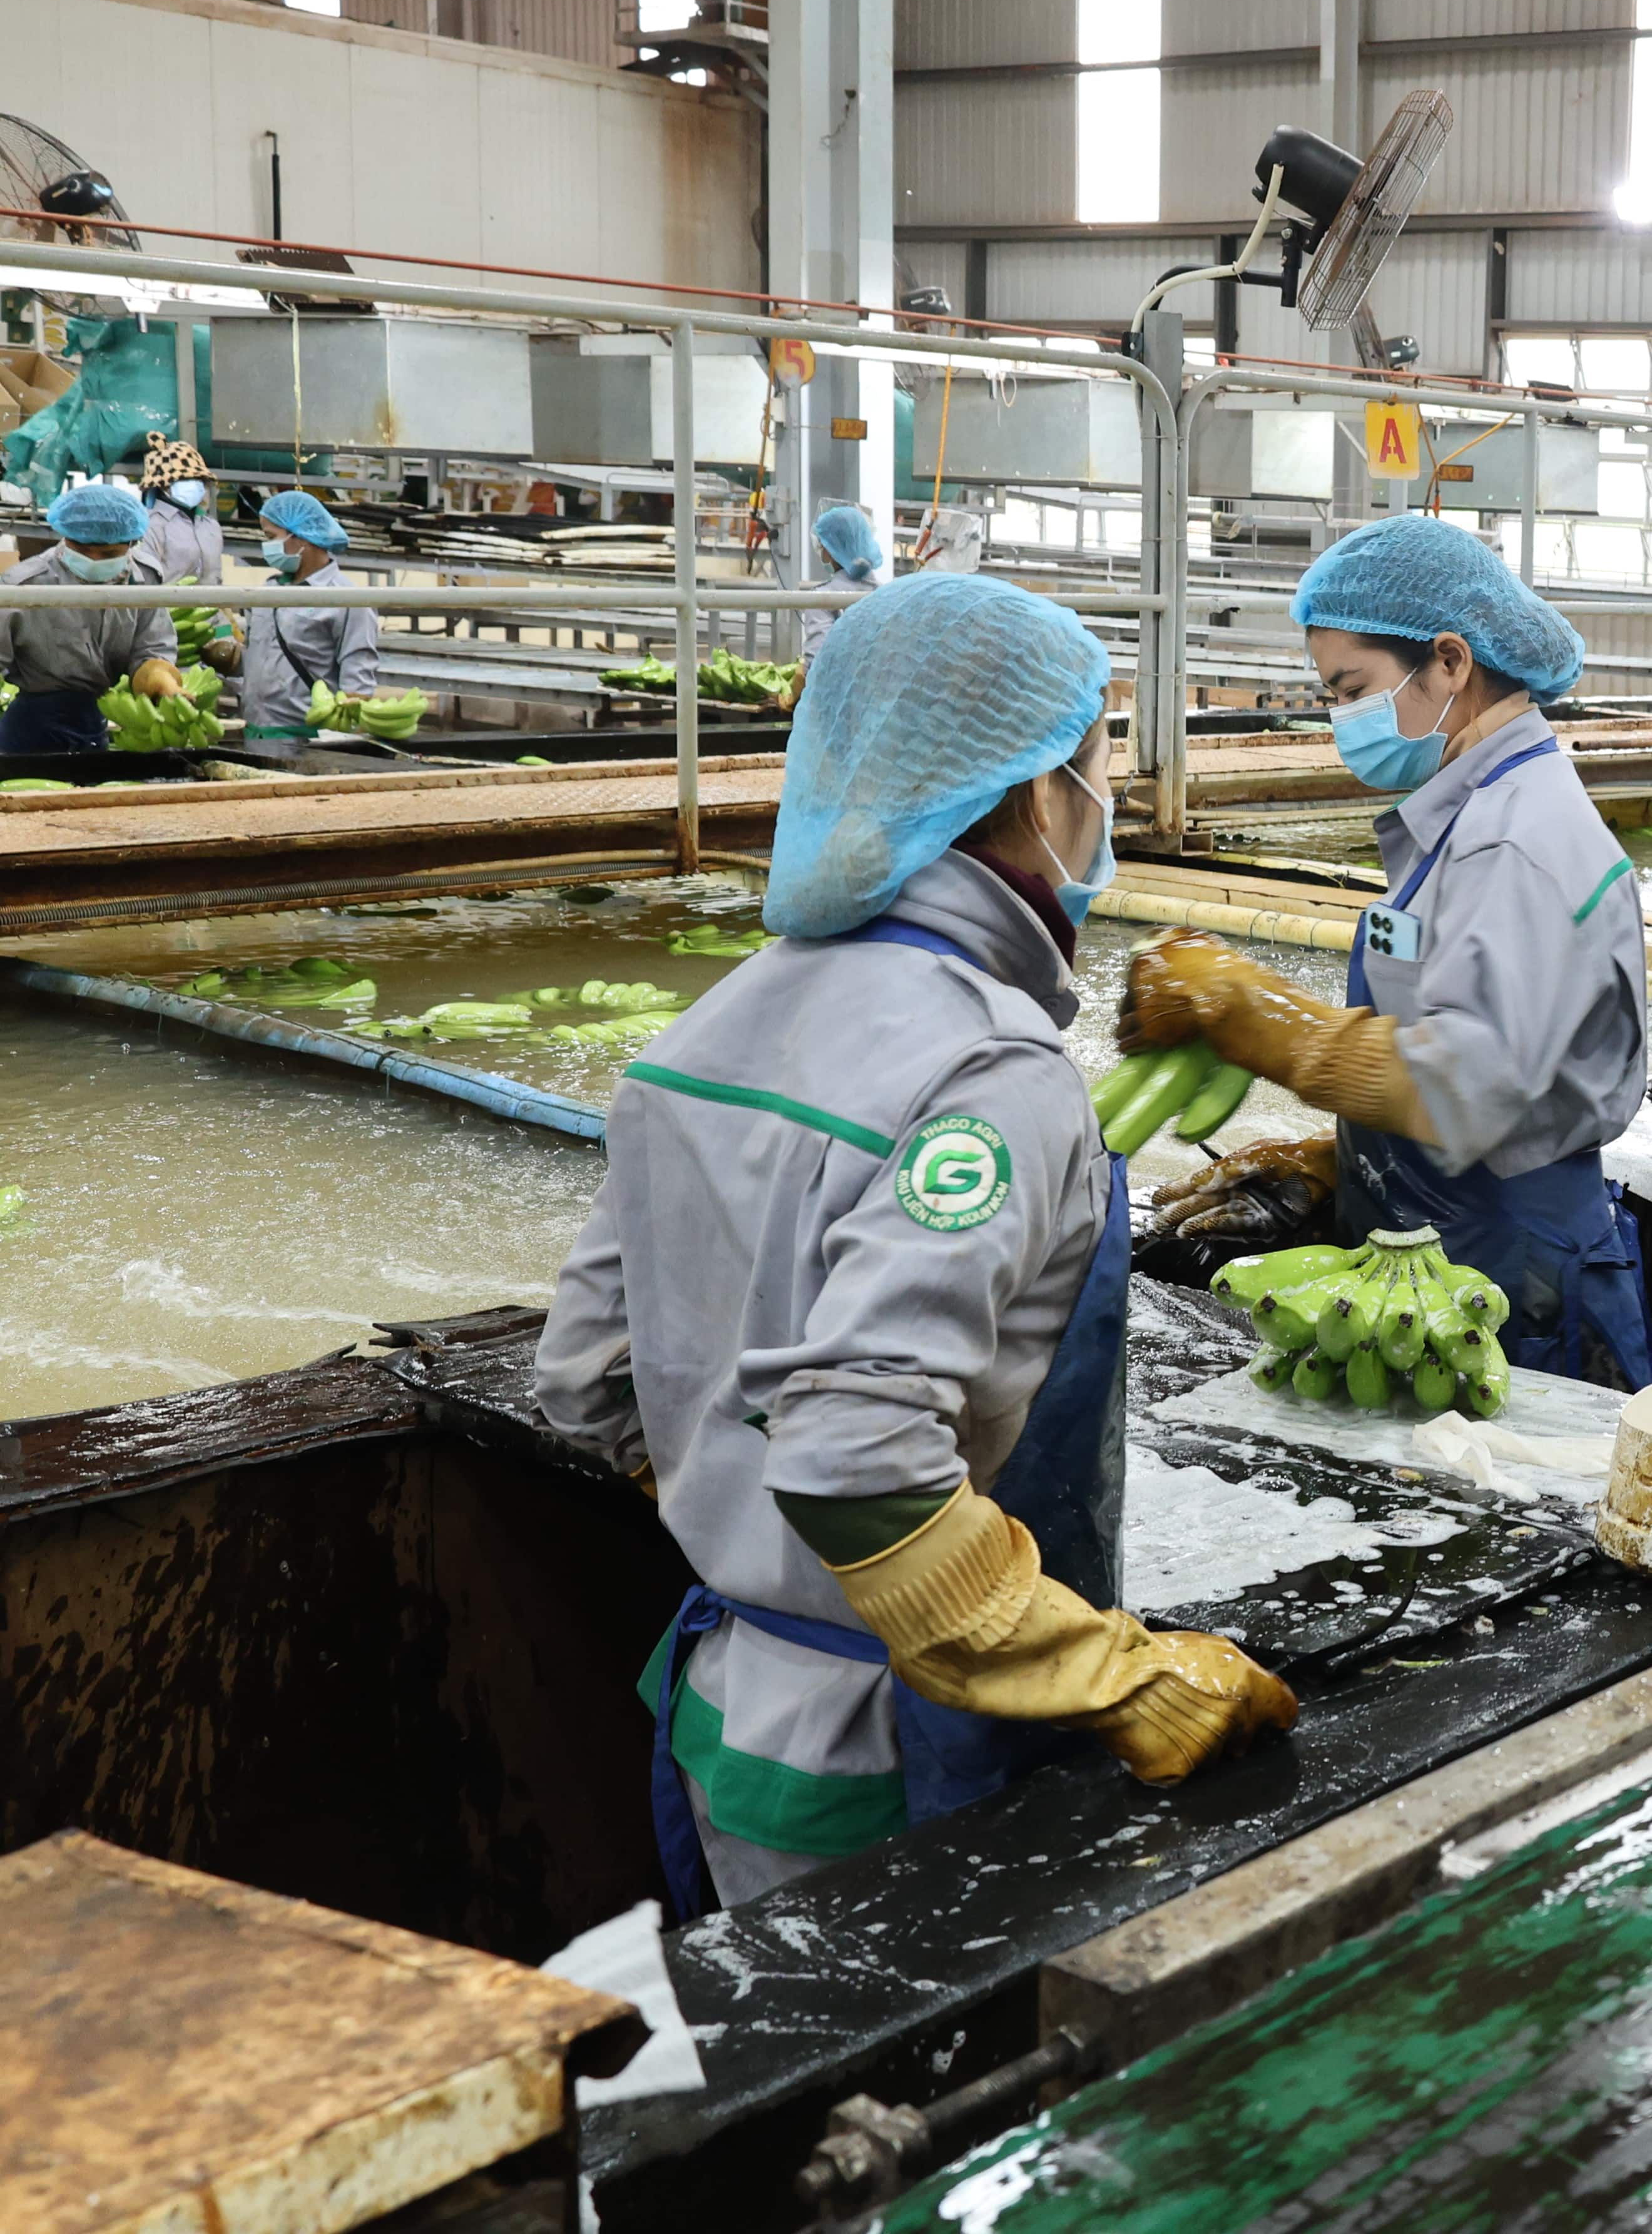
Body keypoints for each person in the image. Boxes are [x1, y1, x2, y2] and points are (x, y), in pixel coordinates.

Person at [531, 573, 1295, 1917]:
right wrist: (1112, 1675)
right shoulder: (991, 1069)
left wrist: (751, 1529)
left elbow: (586, 1374)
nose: (1105, 802)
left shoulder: (704, 1032)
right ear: (1036, 789)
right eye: (1099, 763)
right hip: (903, 1754)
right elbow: (856, 1453)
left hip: (728, 1711)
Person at [1118, 515, 1652, 1390]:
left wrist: (1259, 1017)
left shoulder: (1516, 841)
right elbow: (1474, 1040)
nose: (1341, 718)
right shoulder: (1469, 817)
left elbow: (1473, 1081)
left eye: (1353, 689)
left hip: (1516, 1278)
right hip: (1448, 1242)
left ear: (1450, 662)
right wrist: (1345, 1158)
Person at [0, 481, 181, 754]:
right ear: (65, 537)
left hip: (97, 719)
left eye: (108, 554)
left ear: (132, 543)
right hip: (32, 726)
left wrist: (159, 677)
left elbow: (151, 648)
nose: (95, 559)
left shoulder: (143, 579)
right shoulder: (24, 586)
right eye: (82, 550)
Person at [233, 491, 380, 753]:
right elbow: (259, 657)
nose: (267, 547)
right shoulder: (267, 591)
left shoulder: (348, 599)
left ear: (301, 537)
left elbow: (357, 686)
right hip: (257, 735)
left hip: (310, 742)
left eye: (271, 537)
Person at [802, 500, 894, 669]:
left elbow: (817, 663)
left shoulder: (821, 600)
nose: (820, 547)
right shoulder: (888, 595)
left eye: (823, 543)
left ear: (830, 549)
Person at [136, 439, 226, 588]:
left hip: (211, 602)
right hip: (164, 603)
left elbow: (216, 578)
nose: (196, 484)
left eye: (200, 479)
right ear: (164, 485)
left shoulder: (211, 527)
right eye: (186, 479)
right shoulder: (149, 525)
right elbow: (145, 581)